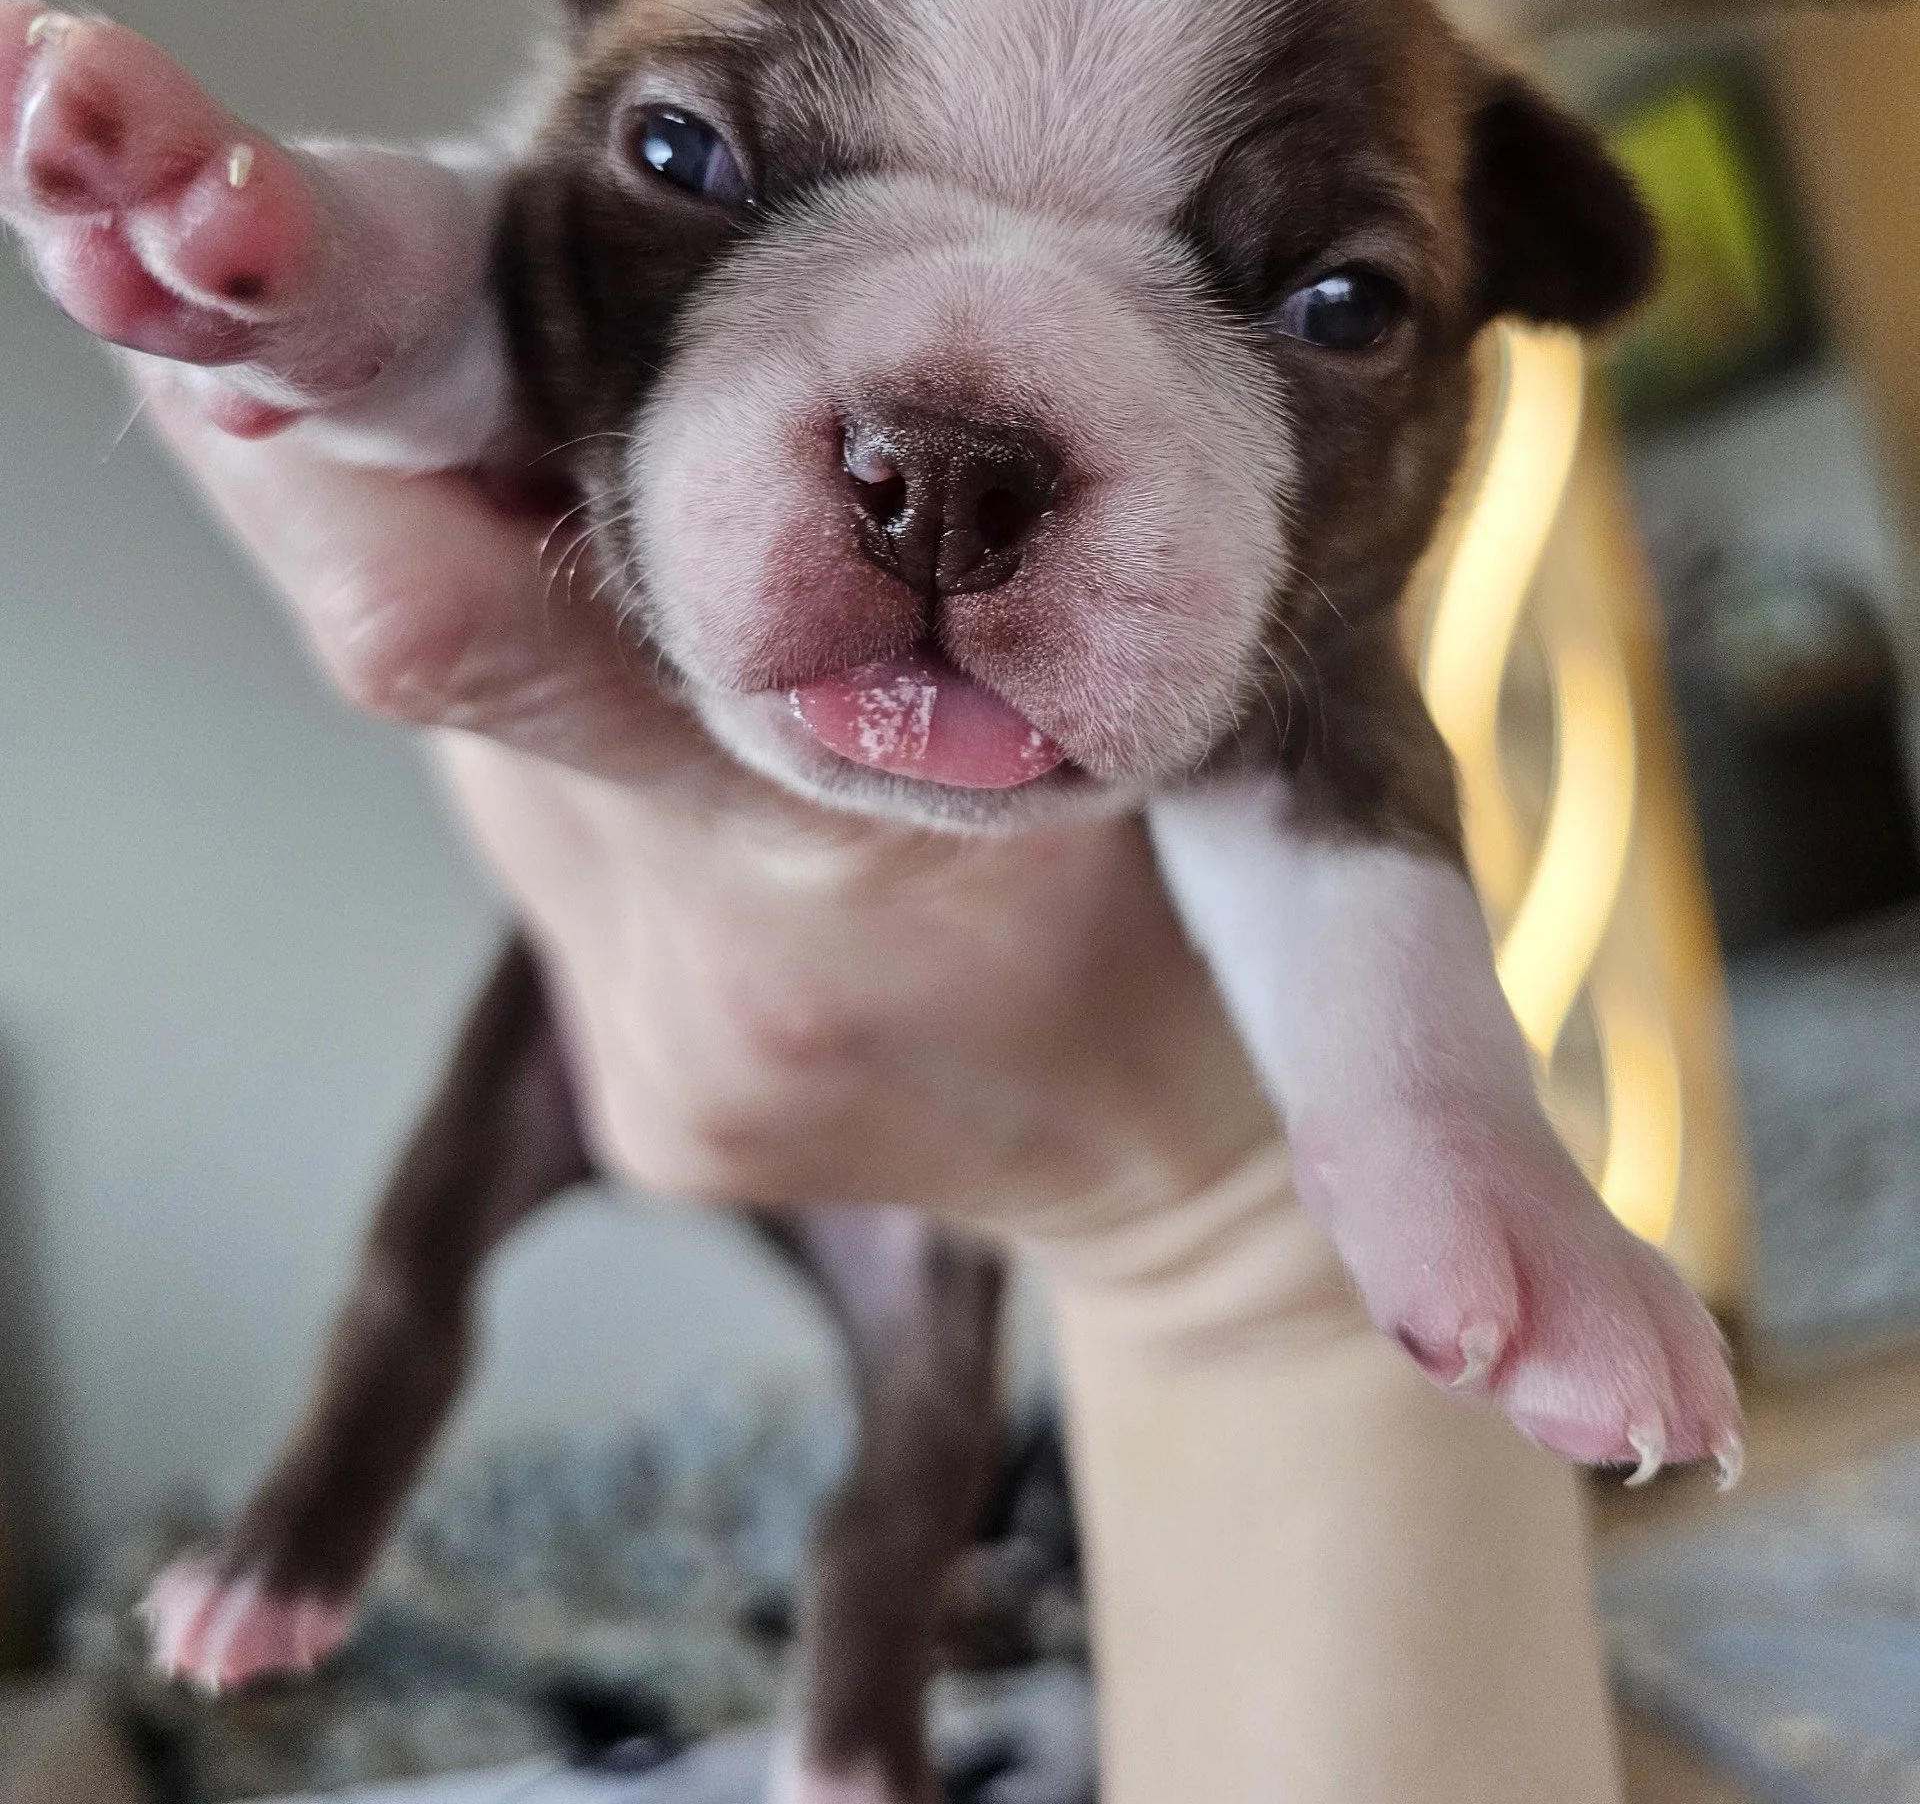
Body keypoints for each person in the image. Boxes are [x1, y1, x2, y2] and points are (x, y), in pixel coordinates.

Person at [137, 370, 1625, 1804]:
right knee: (417, 1272)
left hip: (1045, 1076)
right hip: (590, 990)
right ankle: (308, 1535)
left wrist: (1232, 1225)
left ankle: (856, 1726)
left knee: (922, 1426)